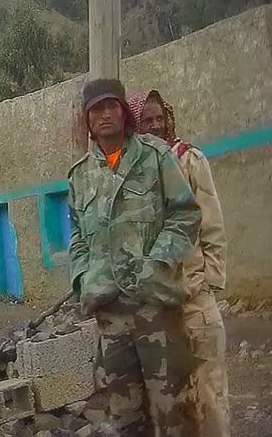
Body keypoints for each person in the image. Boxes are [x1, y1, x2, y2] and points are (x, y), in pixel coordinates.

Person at [68, 79, 202, 436]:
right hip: (111, 317)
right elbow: (77, 236)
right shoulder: (80, 176)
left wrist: (157, 263)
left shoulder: (154, 156)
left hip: (155, 308)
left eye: (112, 106)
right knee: (125, 419)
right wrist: (83, 278)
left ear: (125, 113)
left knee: (175, 414)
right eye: (97, 109)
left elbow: (186, 214)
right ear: (87, 119)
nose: (105, 114)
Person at [130, 89, 229, 435]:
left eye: (160, 118)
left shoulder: (189, 160)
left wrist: (208, 281)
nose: (156, 126)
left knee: (209, 393)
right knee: (169, 401)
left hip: (194, 299)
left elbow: (211, 223)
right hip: (155, 306)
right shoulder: (131, 172)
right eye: (147, 120)